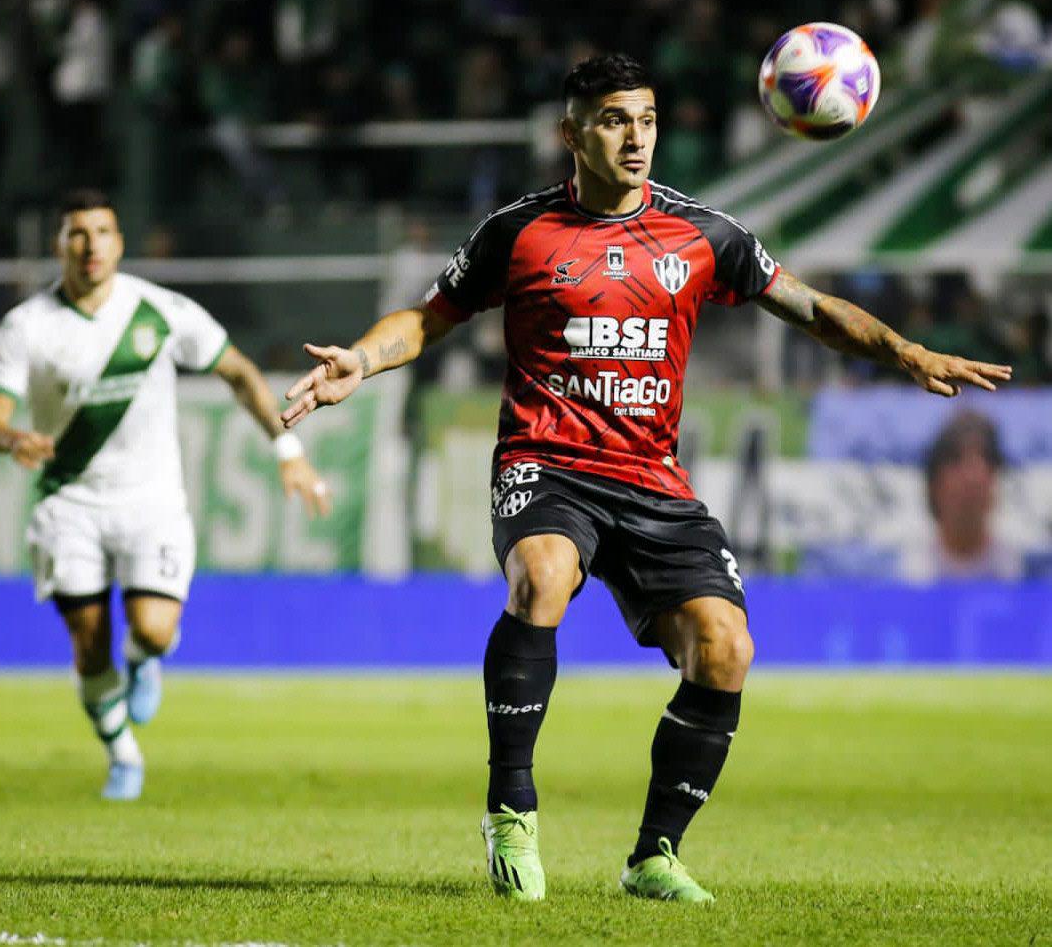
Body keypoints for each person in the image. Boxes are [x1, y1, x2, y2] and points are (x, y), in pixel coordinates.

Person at [282, 54, 1012, 904]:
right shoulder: (518, 231)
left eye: (648, 119)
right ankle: (510, 808)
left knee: (724, 648)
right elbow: (427, 315)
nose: (636, 137)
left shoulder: (704, 234)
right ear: (571, 134)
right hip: (546, 460)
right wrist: (360, 363)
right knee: (542, 578)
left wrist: (904, 350)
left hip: (651, 478)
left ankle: (653, 855)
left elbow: (810, 309)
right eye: (613, 120)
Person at [0, 189, 332, 801]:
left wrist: (288, 449)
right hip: (70, 504)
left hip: (152, 503)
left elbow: (240, 372)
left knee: (156, 629)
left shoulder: (159, 311)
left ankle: (143, 659)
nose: (90, 245)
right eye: (77, 234)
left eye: (102, 232)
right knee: (88, 647)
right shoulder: (26, 326)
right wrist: (10, 438)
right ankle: (123, 756)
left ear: (120, 242)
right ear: (59, 245)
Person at [902, 409, 1023, 581]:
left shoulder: (1017, 567)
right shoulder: (912, 570)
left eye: (984, 462)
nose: (972, 478)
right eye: (957, 463)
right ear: (935, 486)